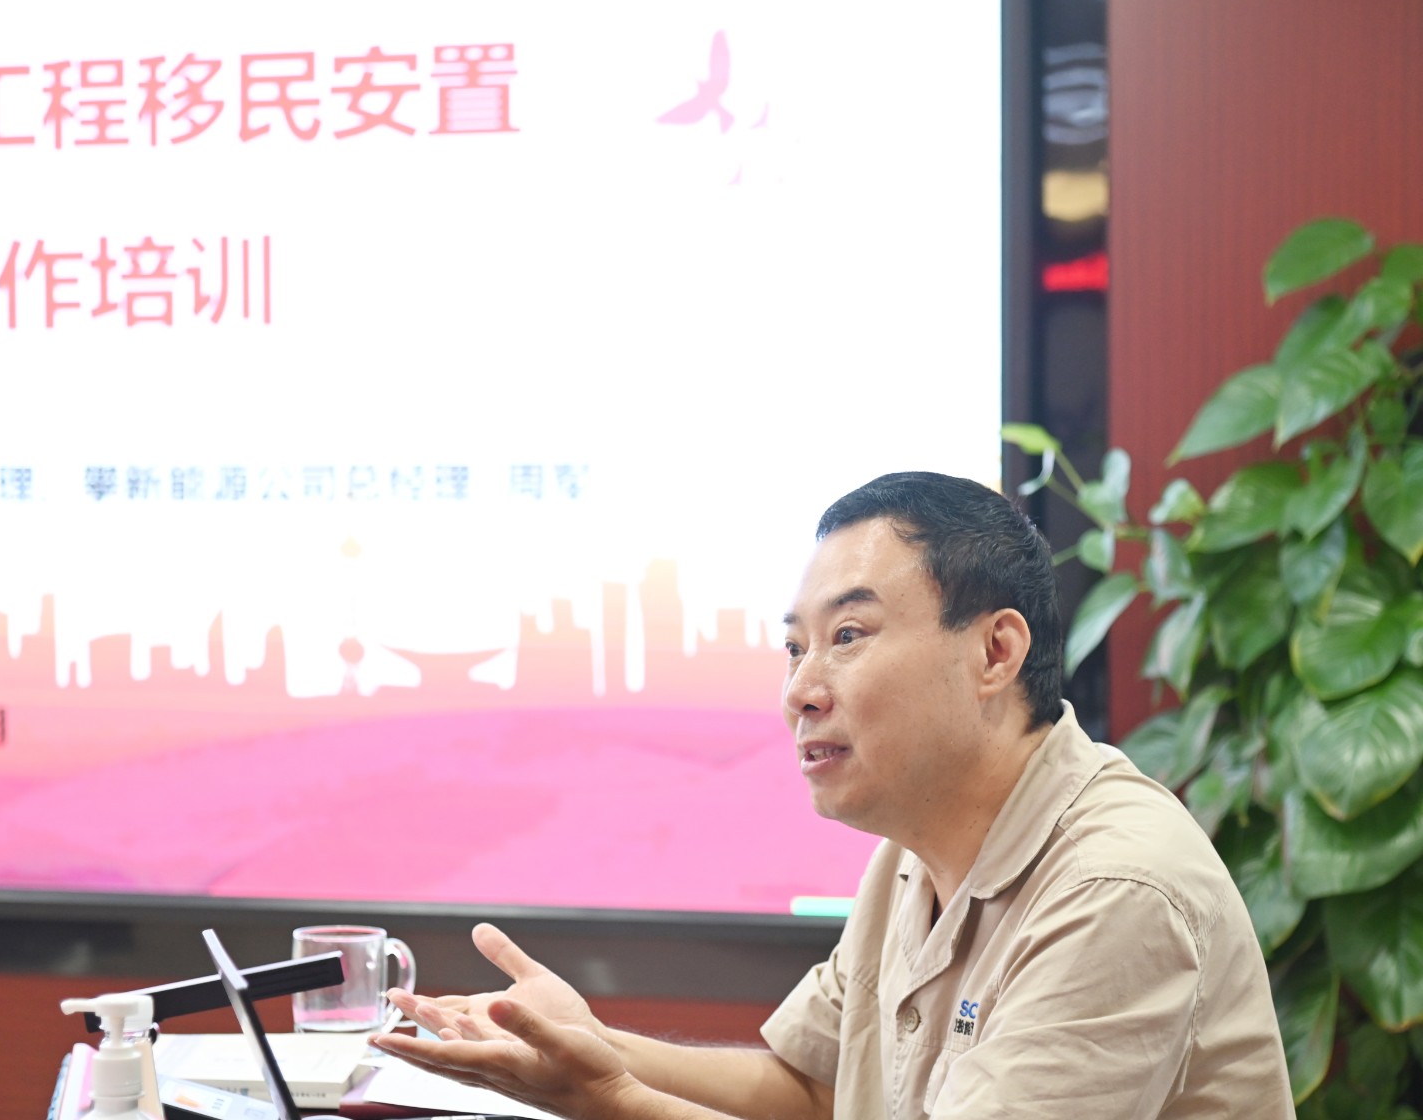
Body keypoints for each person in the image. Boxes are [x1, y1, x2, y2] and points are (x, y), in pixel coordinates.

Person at [371, 471, 1296, 1118]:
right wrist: (590, 1043)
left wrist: (610, 1101)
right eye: (794, 648)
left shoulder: (1115, 888)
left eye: (848, 635)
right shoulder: (911, 854)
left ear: (996, 652)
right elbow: (814, 1091)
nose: (801, 691)